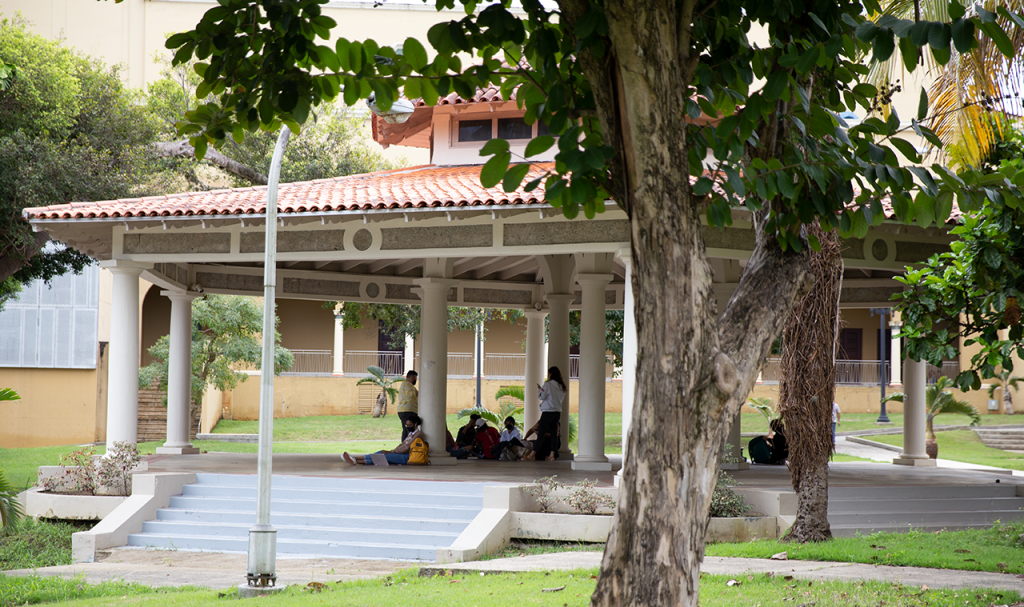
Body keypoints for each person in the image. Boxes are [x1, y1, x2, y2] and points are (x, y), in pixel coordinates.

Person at [343, 414, 422, 465]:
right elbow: (403, 444)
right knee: (381, 454)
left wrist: (392, 451)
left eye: (410, 425)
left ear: (416, 424)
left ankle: (354, 459)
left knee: (384, 456)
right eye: (407, 425)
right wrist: (393, 450)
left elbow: (407, 447)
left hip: (407, 456)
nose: (408, 427)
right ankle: (356, 460)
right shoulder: (411, 433)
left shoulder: (418, 434)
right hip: (400, 453)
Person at [534, 366, 566, 461]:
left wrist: (540, 389)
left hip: (548, 411)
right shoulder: (561, 386)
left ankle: (533, 454)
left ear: (551, 374)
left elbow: (542, 397)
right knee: (553, 434)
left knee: (541, 433)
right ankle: (552, 454)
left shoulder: (548, 384)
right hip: (557, 411)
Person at [396, 370, 418, 441]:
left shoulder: (403, 385)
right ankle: (407, 447)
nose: (416, 380)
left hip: (403, 410)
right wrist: (418, 393)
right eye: (416, 378)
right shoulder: (408, 384)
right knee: (410, 430)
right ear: (412, 377)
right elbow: (411, 394)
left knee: (406, 430)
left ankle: (404, 447)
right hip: (408, 410)